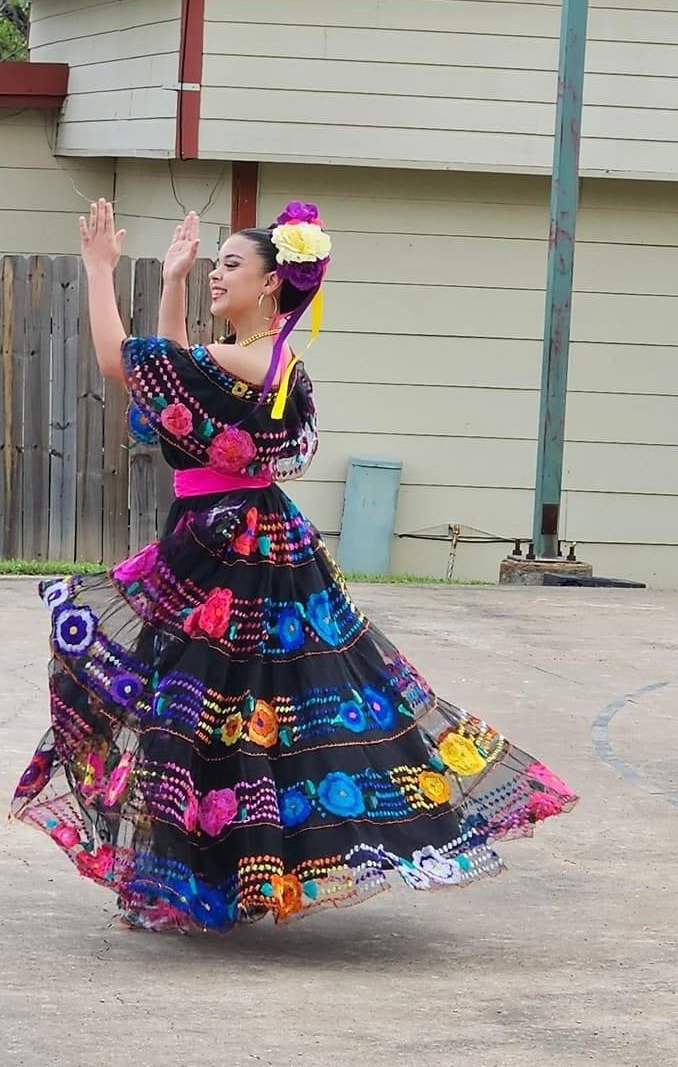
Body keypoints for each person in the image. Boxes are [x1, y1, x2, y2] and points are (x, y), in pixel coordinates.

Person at [10, 199, 576, 932]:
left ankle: (200, 885)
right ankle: (201, 884)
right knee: (232, 714)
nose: (220, 273)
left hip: (227, 551)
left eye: (232, 265)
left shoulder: (246, 358)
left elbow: (127, 364)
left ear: (274, 282)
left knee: (204, 711)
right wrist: (176, 282)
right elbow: (179, 375)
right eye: (216, 263)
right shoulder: (266, 360)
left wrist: (98, 270)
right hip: (243, 536)